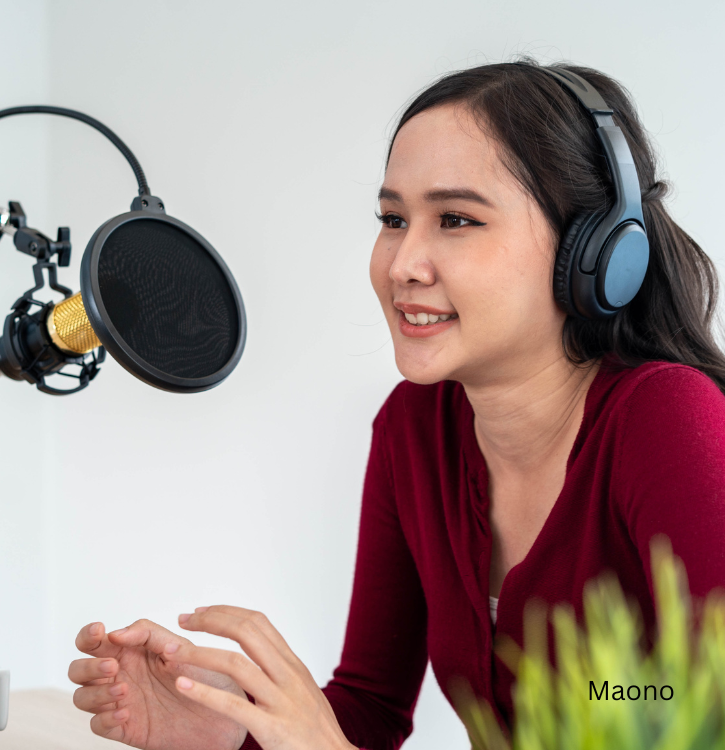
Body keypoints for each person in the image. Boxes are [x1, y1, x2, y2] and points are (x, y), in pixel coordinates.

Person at [66, 59, 725, 750]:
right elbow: (369, 708)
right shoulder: (415, 429)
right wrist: (234, 728)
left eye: (456, 219)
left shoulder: (669, 421)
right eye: (392, 218)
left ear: (592, 252)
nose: (403, 262)